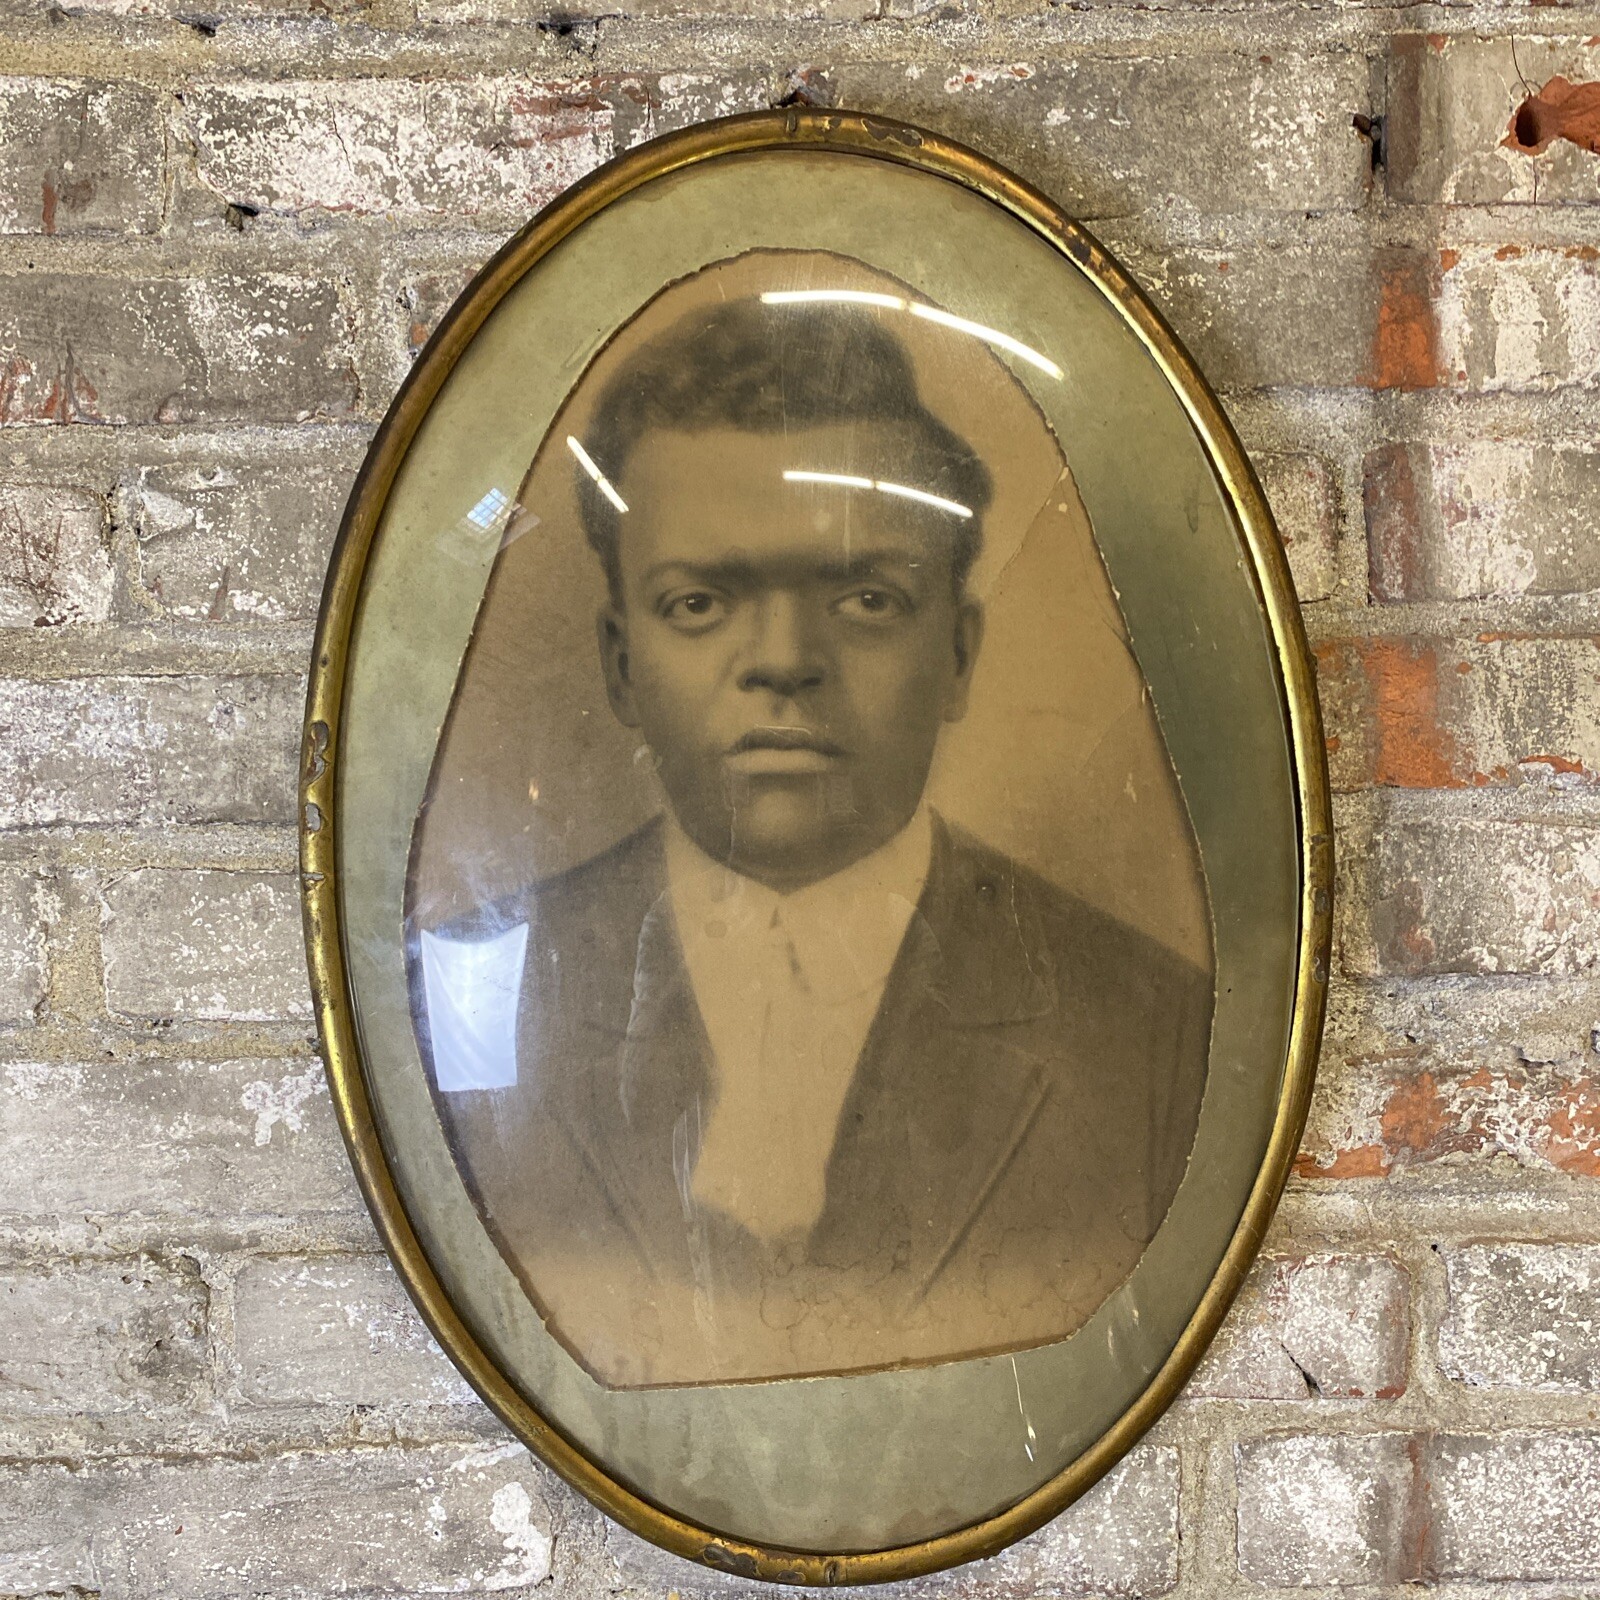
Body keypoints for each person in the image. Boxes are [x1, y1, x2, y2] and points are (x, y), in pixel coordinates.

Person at [413, 294, 1212, 1390]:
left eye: (867, 597)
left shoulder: (1150, 1029)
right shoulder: (469, 992)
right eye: (699, 601)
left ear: (960, 652)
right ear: (617, 665)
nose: (784, 660)